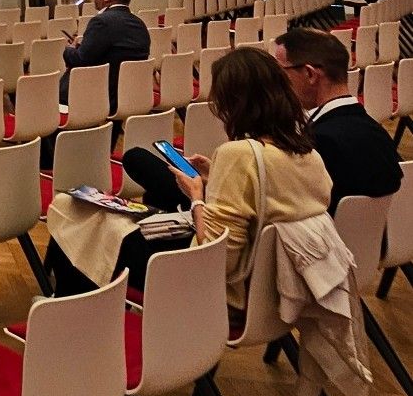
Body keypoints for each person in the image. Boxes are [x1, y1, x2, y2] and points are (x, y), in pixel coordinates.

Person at [50, 46, 332, 306]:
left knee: (75, 212)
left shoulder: (239, 154)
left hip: (214, 284)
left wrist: (197, 196)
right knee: (100, 221)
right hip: (271, 287)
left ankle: (68, 306)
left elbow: (217, 257)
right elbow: (266, 204)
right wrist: (214, 181)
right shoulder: (311, 155)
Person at [273, 26, 403, 211]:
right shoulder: (377, 132)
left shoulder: (317, 143)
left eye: (280, 72)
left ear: (310, 74)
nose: (277, 81)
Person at [59, 0, 150, 109]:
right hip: (131, 94)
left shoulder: (102, 21)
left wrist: (69, 49)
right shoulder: (140, 23)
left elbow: (81, 59)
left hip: (101, 95)